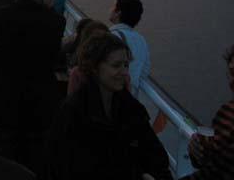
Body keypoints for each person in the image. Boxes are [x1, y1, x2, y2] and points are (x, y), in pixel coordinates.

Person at [0, 0, 65, 177]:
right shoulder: (56, 22)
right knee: (30, 165)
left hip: (2, 102)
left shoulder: (0, 15)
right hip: (39, 107)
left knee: (0, 164)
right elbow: (52, 59)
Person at [47, 33, 171, 180]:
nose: (124, 72)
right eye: (116, 66)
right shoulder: (73, 112)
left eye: (126, 65)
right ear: (94, 67)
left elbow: (157, 156)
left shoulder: (132, 109)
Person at [181, 44, 234, 179]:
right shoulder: (226, 113)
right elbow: (211, 161)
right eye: (232, 73)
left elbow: (214, 165)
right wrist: (196, 151)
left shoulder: (227, 113)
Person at [109, 0, 151, 96]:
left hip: (109, 94)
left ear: (118, 13)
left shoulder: (110, 36)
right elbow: (145, 71)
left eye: (113, 6)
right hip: (128, 96)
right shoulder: (142, 41)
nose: (110, 9)